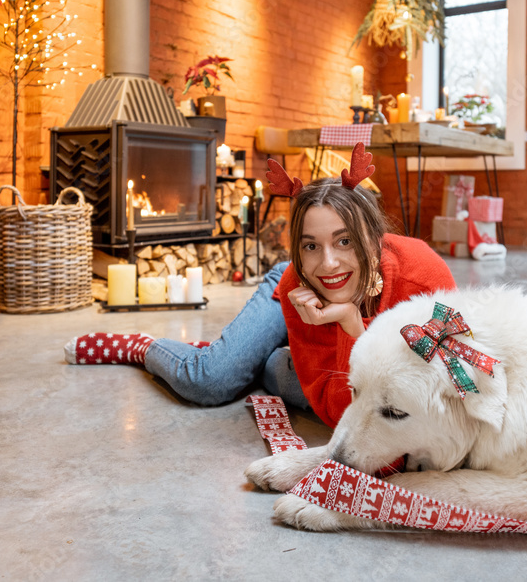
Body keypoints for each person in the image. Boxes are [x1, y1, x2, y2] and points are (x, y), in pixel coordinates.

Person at [63, 143, 457, 428]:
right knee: (210, 380)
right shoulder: (300, 282)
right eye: (310, 245)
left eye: (345, 241)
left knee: (281, 374)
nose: (329, 263)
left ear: (373, 239)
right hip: (303, 301)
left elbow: (347, 417)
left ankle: (262, 357)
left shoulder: (423, 281)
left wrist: (352, 324)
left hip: (336, 348)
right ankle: (142, 346)